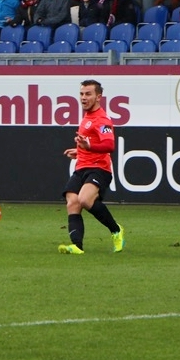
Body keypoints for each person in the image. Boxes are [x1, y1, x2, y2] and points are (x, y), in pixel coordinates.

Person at [58, 79, 125, 255]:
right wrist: (80, 151)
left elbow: (109, 145)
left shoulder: (102, 120)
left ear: (98, 97)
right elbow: (89, 144)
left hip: (99, 169)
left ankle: (116, 230)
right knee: (72, 202)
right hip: (82, 166)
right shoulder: (87, 117)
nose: (83, 97)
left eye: (88, 94)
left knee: (85, 200)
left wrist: (88, 147)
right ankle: (77, 246)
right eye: (81, 94)